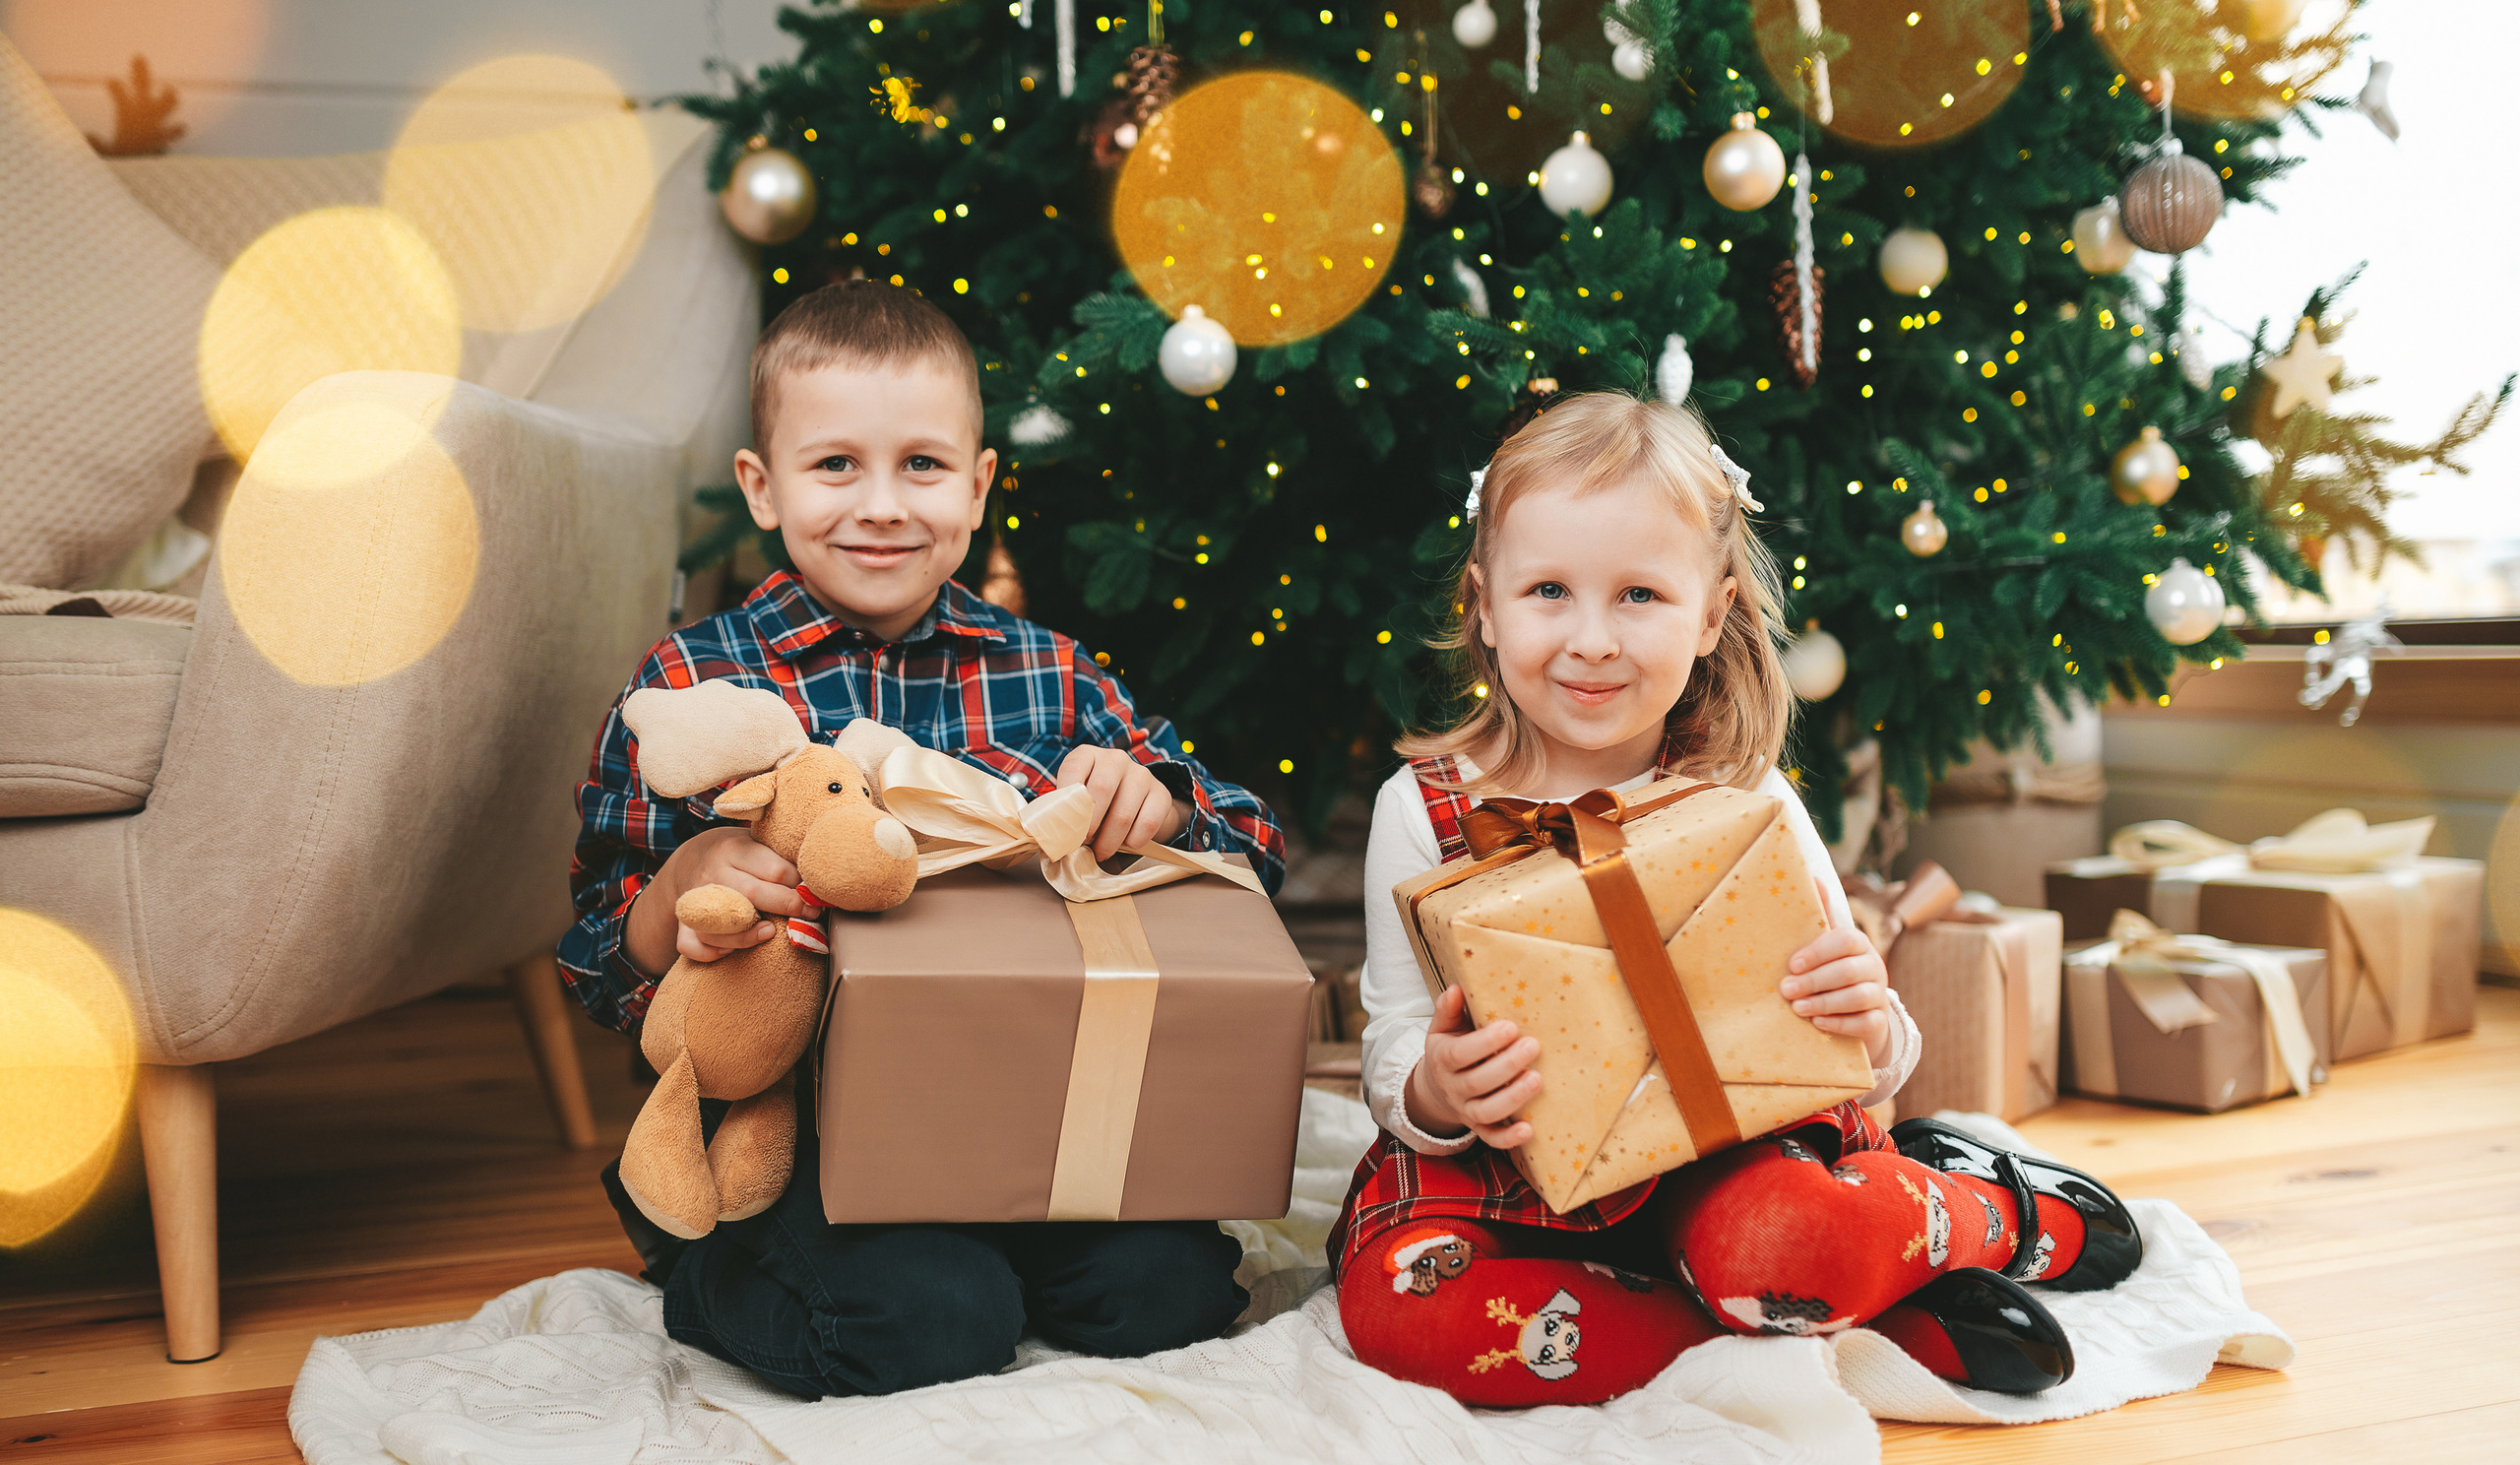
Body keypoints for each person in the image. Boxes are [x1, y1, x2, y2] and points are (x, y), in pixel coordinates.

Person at [1332, 392, 2141, 1406]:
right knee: (1401, 1308)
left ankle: (1999, 1215)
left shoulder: (1746, 795)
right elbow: (1393, 1038)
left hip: (1729, 1166)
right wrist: (1435, 1092)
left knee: (1790, 1236)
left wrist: (1867, 1020)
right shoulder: (1419, 807)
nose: (1593, 639)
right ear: (1485, 605)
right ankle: (1817, 1308)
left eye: (1639, 595)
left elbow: (1873, 1051)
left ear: (1711, 615)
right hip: (1509, 1183)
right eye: (1548, 591)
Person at [560, 281, 1284, 1398]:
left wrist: (1164, 801)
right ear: (762, 487)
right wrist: (674, 894)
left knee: (1168, 1295)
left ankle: (988, 1248)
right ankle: (703, 1264)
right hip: (795, 1134)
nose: (883, 506)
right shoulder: (693, 682)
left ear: (979, 486)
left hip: (1020, 1094)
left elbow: (1252, 846)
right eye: (835, 465)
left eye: (924, 466)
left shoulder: (1052, 672)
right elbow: (591, 953)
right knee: (929, 1324)